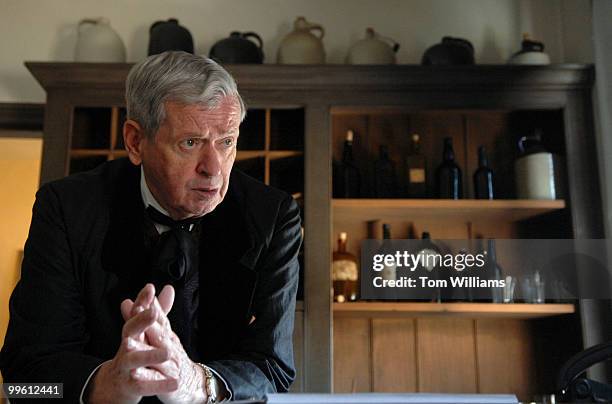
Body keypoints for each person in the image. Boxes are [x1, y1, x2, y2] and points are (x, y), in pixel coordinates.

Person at [0, 51, 302, 403]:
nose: (214, 168)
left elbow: (275, 370)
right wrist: (104, 384)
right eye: (190, 143)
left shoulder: (273, 216)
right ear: (134, 141)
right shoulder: (65, 209)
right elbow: (23, 385)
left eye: (227, 142)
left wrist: (197, 384)